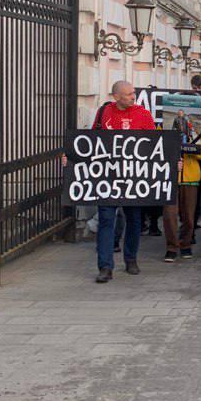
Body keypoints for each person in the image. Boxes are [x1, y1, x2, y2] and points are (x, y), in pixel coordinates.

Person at [85, 81, 155, 283]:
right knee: (107, 219)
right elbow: (92, 141)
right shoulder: (104, 113)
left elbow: (155, 145)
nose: (133, 97)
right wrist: (71, 158)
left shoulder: (143, 114)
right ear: (116, 97)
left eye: (134, 93)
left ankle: (131, 258)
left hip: (134, 177)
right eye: (129, 94)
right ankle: (105, 266)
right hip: (108, 176)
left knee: (134, 219)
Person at [163, 110, 201, 263]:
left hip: (190, 177)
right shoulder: (163, 125)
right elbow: (156, 147)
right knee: (169, 215)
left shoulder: (200, 128)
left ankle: (186, 244)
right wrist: (172, 159)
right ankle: (171, 247)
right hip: (170, 177)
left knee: (189, 216)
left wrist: (190, 148)